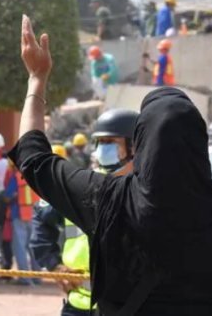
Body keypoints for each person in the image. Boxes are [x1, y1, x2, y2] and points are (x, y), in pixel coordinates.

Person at [13, 11, 212, 315]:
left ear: (141, 141)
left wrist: (37, 78)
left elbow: (34, 157)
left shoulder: (108, 199)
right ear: (199, 144)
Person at [32, 110, 138, 316]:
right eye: (100, 142)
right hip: (79, 306)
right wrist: (55, 266)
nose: (103, 149)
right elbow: (41, 217)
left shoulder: (145, 191)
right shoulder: (83, 186)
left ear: (133, 146)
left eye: (111, 142)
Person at [5, 160, 41, 286]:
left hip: (19, 215)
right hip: (35, 215)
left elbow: (8, 195)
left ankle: (25, 278)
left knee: (19, 248)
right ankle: (38, 276)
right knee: (34, 247)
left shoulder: (16, 177)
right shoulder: (36, 175)